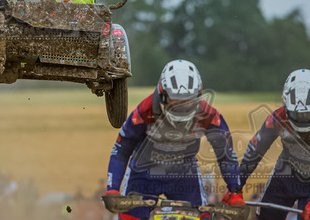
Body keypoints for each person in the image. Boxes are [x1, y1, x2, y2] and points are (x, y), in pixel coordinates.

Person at [104, 59, 245, 219]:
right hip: (143, 173)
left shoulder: (208, 114)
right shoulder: (145, 110)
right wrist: (112, 188)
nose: (182, 106)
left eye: (188, 101)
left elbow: (225, 153)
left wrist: (235, 190)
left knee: (202, 217)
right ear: (162, 95)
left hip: (184, 174)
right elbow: (121, 149)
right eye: (175, 100)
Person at [238, 69, 310, 220]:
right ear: (286, 106)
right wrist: (236, 186)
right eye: (296, 114)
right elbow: (255, 151)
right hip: (285, 173)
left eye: (308, 114)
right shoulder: (278, 117)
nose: (302, 119)